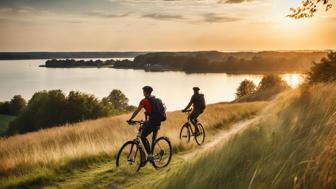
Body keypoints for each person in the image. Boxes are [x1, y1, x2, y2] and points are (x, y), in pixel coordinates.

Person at [128, 86, 161, 160]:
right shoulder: (154, 99)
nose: (143, 92)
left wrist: (131, 119)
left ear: (145, 92)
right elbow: (150, 112)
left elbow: (137, 110)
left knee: (142, 136)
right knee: (150, 137)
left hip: (152, 122)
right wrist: (146, 120)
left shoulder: (144, 101)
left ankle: (149, 155)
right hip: (157, 121)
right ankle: (148, 156)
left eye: (143, 91)